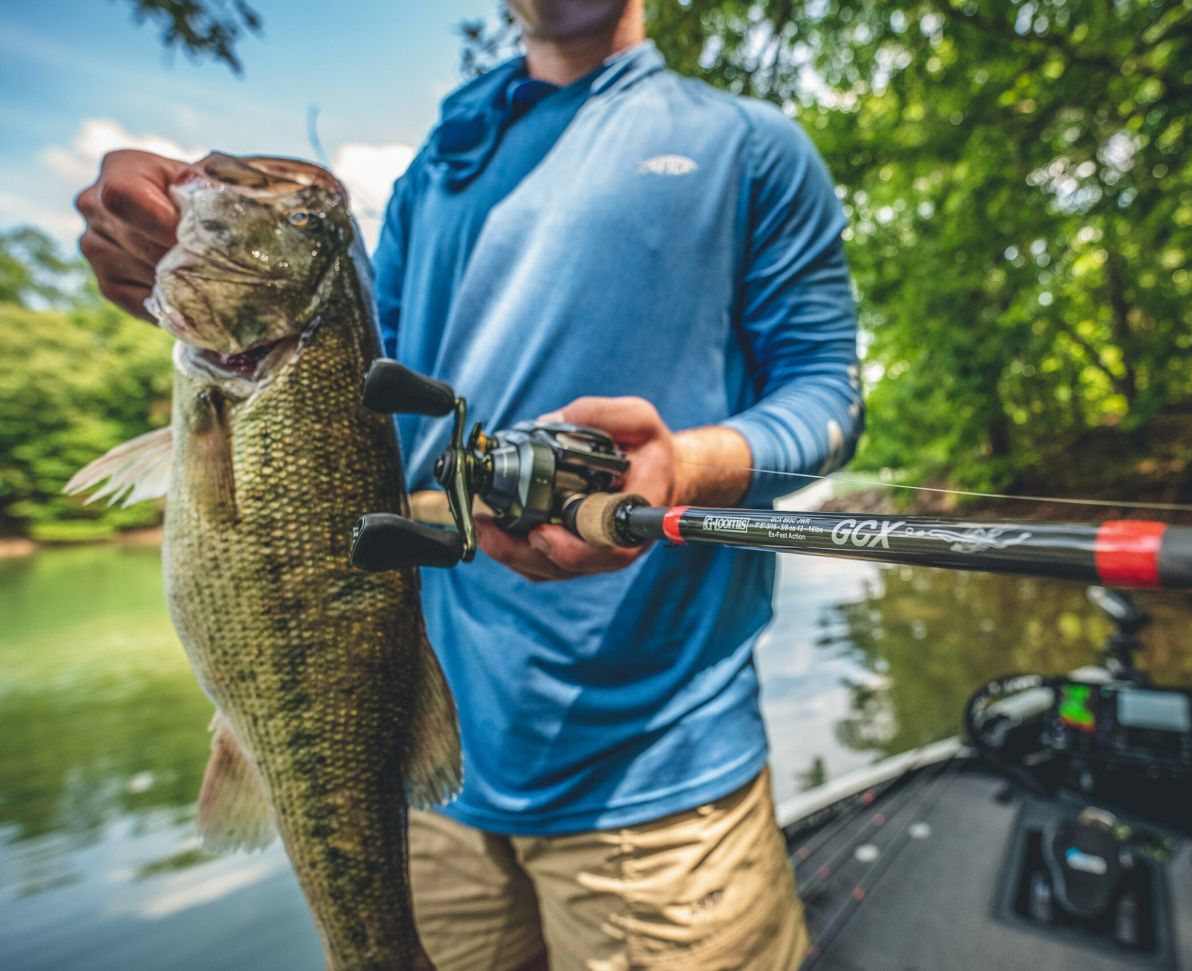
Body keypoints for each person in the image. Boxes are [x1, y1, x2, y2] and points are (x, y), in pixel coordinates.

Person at [74, 0, 862, 967]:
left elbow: (828, 398)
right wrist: (175, 251)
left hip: (661, 777)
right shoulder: (437, 166)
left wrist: (684, 465)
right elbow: (358, 375)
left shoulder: (749, 144)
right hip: (412, 757)